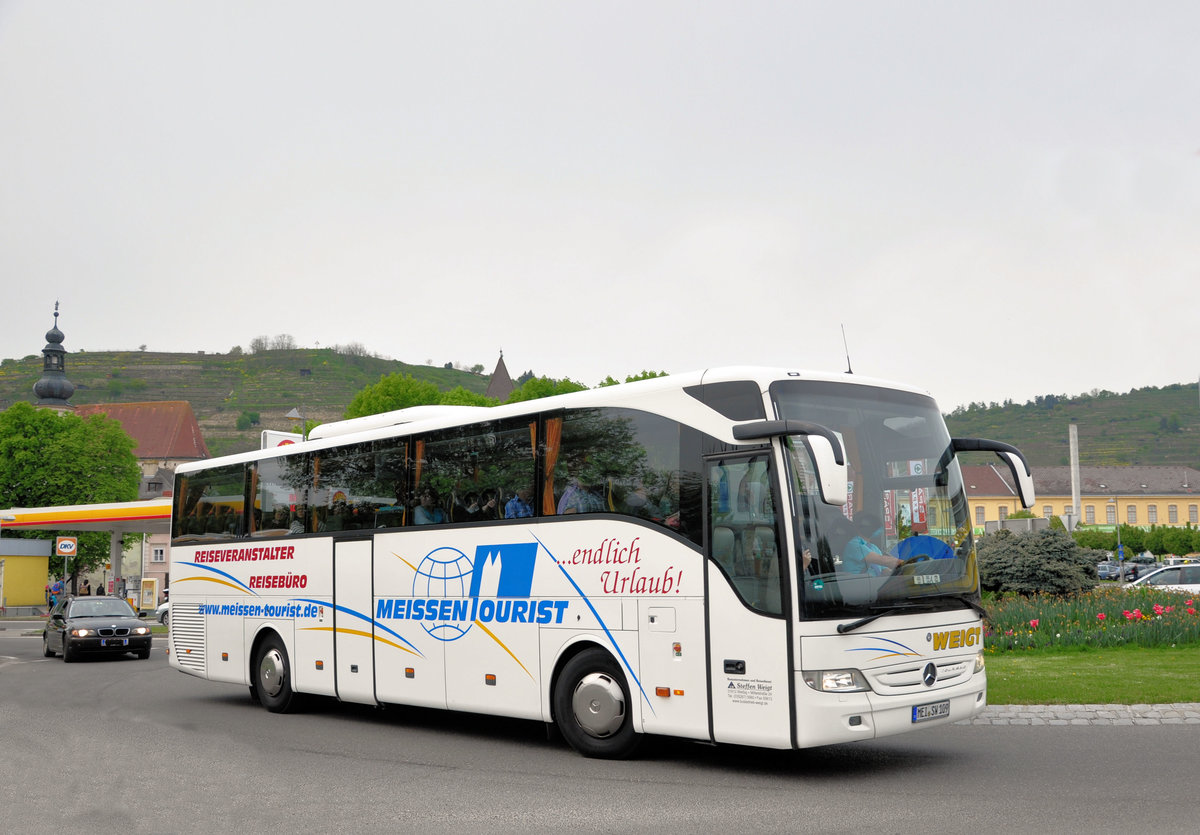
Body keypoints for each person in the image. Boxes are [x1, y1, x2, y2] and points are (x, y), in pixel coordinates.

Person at [839, 511, 903, 574]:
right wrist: (905, 563)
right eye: (874, 527)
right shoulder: (853, 545)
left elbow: (884, 570)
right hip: (857, 583)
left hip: (875, 583)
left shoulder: (874, 548)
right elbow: (882, 560)